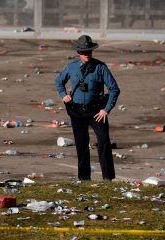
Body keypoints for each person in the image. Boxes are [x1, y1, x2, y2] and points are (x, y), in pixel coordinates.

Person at [55, 35, 120, 181]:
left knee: (103, 142)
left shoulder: (100, 67)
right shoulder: (71, 67)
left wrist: (106, 109)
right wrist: (63, 95)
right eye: (84, 52)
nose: (87, 55)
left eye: (89, 51)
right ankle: (84, 178)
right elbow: (59, 82)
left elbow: (114, 89)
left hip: (97, 111)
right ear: (78, 53)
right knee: (81, 144)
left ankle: (108, 178)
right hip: (77, 111)